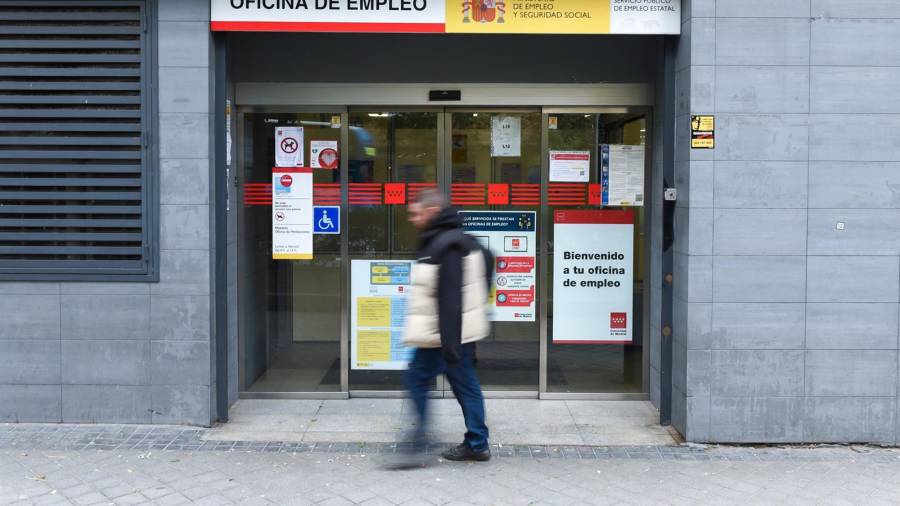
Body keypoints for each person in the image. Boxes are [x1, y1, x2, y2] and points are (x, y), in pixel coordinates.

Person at [387, 188, 493, 469]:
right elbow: (489, 263)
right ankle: (477, 443)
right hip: (455, 333)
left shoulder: (446, 244)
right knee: (465, 385)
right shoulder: (458, 239)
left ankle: (417, 444)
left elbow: (449, 300)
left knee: (416, 379)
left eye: (416, 213)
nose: (412, 218)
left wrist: (449, 346)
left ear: (432, 211)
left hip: (442, 336)